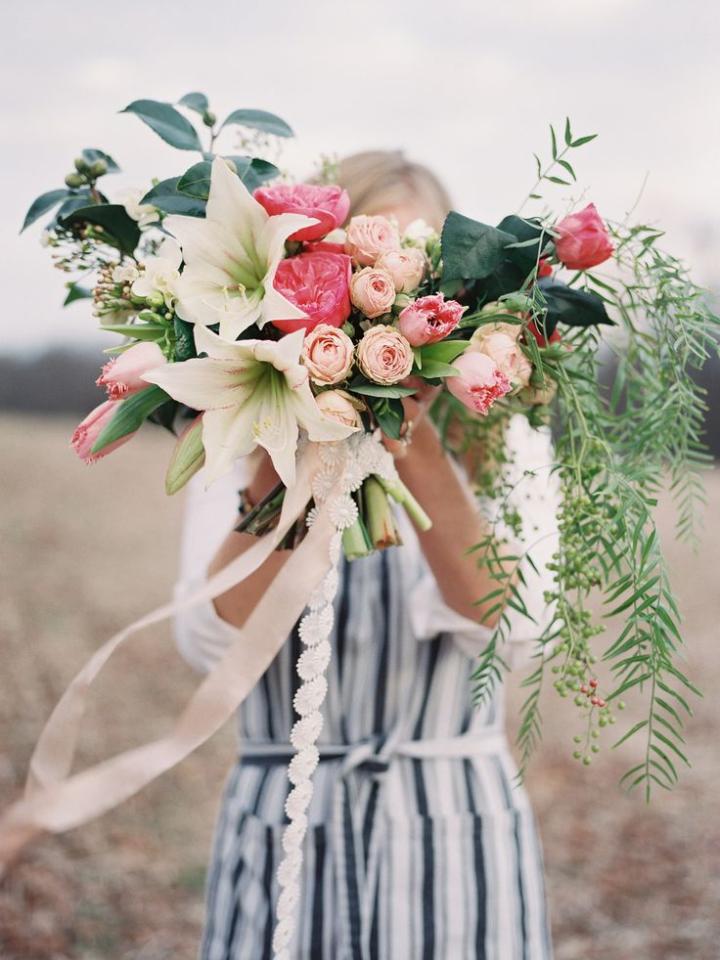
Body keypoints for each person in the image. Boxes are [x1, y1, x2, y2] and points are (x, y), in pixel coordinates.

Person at [174, 150, 558, 959]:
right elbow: (213, 644)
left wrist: (403, 424)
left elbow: (512, 634)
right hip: (283, 826)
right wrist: (300, 431)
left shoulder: (507, 433)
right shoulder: (242, 424)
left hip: (453, 834)